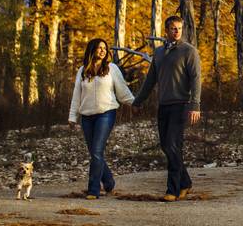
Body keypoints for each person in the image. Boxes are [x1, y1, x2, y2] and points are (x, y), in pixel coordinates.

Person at [132, 15, 202, 202]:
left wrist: (195, 105)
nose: (177, 31)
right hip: (163, 105)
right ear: (166, 30)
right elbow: (150, 80)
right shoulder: (160, 53)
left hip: (181, 105)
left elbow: (196, 79)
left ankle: (172, 188)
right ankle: (185, 182)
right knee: (167, 146)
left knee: (172, 145)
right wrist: (138, 101)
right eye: (173, 28)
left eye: (179, 28)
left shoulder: (189, 52)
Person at [68, 38, 135, 199]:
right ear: (92, 50)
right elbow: (77, 94)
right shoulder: (83, 70)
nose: (102, 50)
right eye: (99, 48)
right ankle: (109, 182)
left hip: (106, 113)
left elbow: (122, 91)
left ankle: (93, 190)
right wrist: (72, 116)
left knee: (97, 151)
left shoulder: (112, 69)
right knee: (94, 153)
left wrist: (135, 102)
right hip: (86, 116)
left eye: (104, 48)